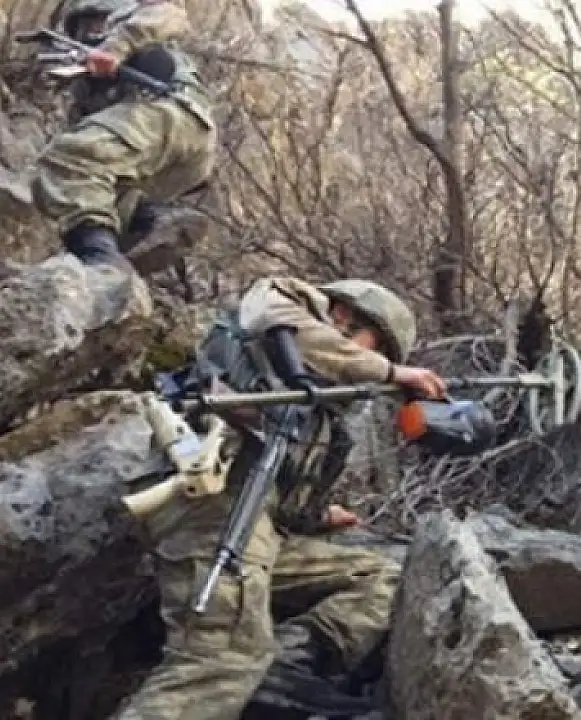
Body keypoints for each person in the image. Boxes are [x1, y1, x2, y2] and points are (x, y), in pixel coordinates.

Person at [116, 277, 448, 719]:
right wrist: (390, 373)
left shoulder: (318, 415)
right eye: (378, 347)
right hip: (210, 509)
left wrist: (320, 517)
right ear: (344, 316)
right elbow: (276, 317)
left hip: (260, 530)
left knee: (382, 578)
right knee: (218, 661)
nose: (375, 363)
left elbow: (288, 503)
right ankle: (243, 670)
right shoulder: (281, 309)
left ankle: (283, 667)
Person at [24, 0, 216, 275]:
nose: (89, 32)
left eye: (95, 22)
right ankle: (152, 219)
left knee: (72, 156)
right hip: (175, 155)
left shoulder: (138, 26)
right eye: (82, 27)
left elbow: (169, 13)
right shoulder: (88, 86)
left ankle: (101, 263)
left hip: (169, 115)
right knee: (96, 192)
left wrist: (115, 47)